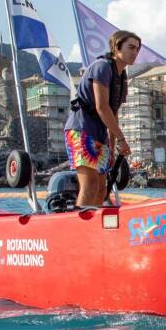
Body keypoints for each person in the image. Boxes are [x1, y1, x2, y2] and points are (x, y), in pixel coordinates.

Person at [64, 30, 138, 207]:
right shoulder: (102, 66)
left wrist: (113, 146)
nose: (135, 52)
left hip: (100, 133)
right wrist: (121, 139)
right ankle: (80, 226)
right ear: (116, 47)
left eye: (137, 49)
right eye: (131, 47)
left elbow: (113, 113)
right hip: (81, 128)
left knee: (101, 189)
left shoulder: (122, 76)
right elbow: (101, 106)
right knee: (89, 185)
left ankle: (94, 228)